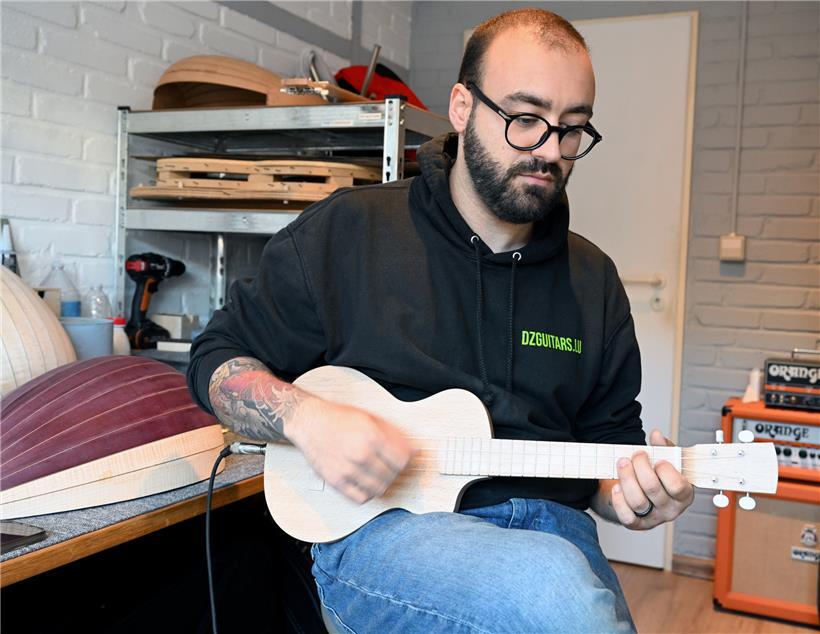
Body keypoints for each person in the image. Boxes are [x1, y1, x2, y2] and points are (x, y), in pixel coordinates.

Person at [187, 8, 694, 633]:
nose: (548, 151)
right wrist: (306, 417)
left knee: (569, 594)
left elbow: (607, 457)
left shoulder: (593, 281)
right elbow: (218, 359)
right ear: (462, 107)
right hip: (388, 534)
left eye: (572, 130)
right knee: (562, 600)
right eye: (524, 118)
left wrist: (635, 500)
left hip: (555, 532)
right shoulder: (350, 231)